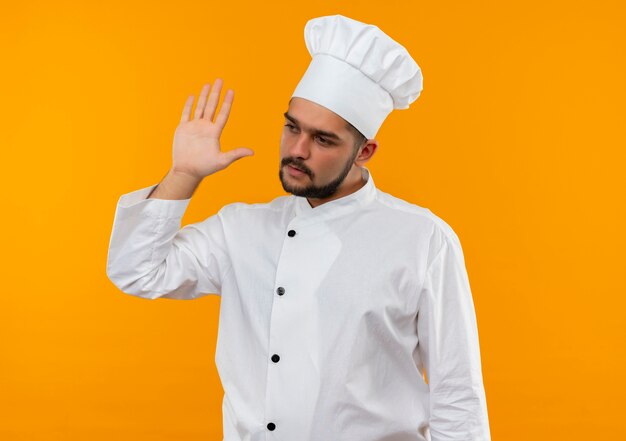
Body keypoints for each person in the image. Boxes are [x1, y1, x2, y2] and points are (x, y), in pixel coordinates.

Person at [106, 14, 491, 441]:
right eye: (292, 127)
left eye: (323, 140)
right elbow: (135, 270)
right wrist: (183, 174)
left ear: (365, 151)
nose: (297, 150)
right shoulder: (241, 229)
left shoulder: (423, 240)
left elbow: (457, 394)